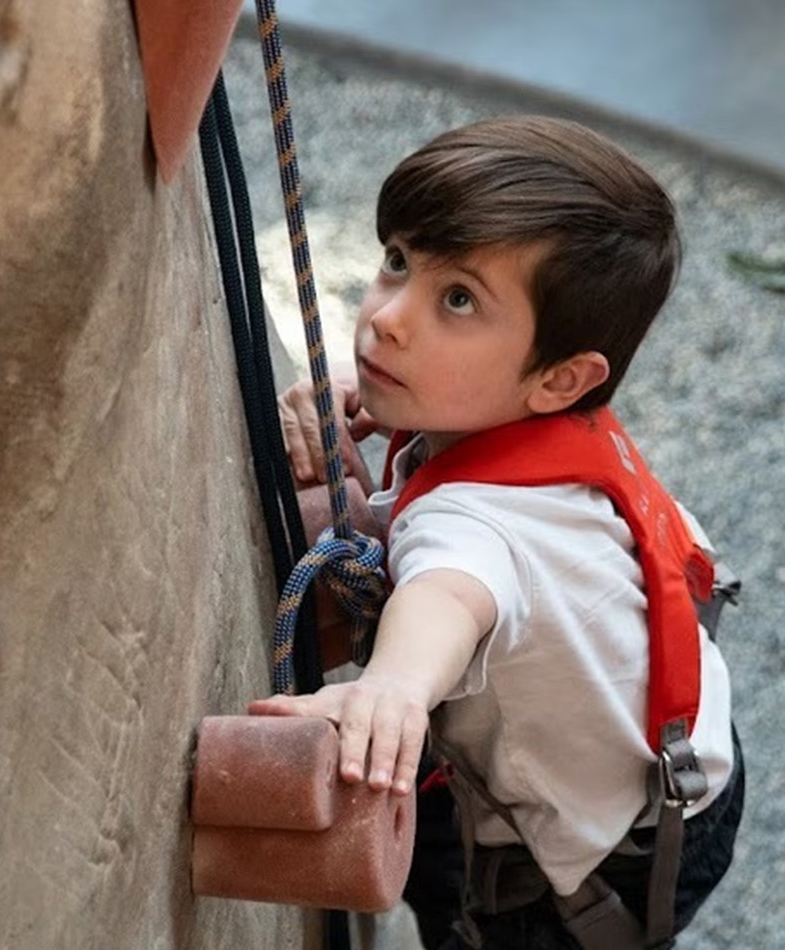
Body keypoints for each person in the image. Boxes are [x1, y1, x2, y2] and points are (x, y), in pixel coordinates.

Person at [257, 115, 743, 950]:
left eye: (458, 301)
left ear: (561, 378)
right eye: (399, 262)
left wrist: (394, 689)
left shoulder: (474, 529)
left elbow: (451, 593)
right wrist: (354, 390)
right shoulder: (545, 420)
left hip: (590, 868)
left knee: (468, 908)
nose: (387, 320)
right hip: (684, 756)